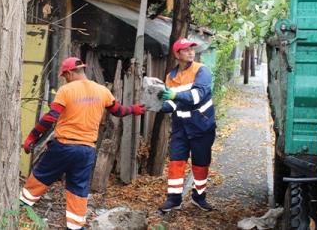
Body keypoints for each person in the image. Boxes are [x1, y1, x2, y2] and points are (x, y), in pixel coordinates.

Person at [20, 57, 146, 230]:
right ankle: (75, 226)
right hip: (87, 149)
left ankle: (20, 207)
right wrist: (134, 109)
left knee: (41, 175)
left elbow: (51, 117)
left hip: (64, 146)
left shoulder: (66, 90)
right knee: (78, 188)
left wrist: (31, 138)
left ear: (70, 73)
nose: (65, 79)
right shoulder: (102, 91)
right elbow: (118, 111)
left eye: (65, 76)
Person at [157, 39, 217, 214]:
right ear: (177, 54)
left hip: (202, 126)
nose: (191, 52)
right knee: (176, 162)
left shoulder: (202, 71)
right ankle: (173, 199)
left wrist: (175, 94)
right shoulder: (171, 77)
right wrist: (157, 106)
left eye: (192, 49)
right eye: (186, 50)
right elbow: (173, 104)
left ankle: (199, 197)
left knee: (201, 164)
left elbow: (199, 95)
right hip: (180, 128)